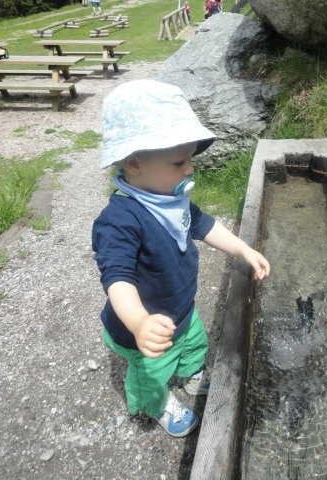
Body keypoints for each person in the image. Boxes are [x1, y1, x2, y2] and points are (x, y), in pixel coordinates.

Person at [92, 79, 271, 437]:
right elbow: (117, 279)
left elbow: (204, 225)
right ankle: (154, 403)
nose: (189, 169)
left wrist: (243, 249)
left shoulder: (171, 200)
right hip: (146, 324)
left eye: (189, 160)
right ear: (134, 162)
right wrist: (139, 323)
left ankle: (191, 373)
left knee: (195, 343)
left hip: (181, 308)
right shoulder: (119, 220)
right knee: (152, 372)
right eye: (179, 162)